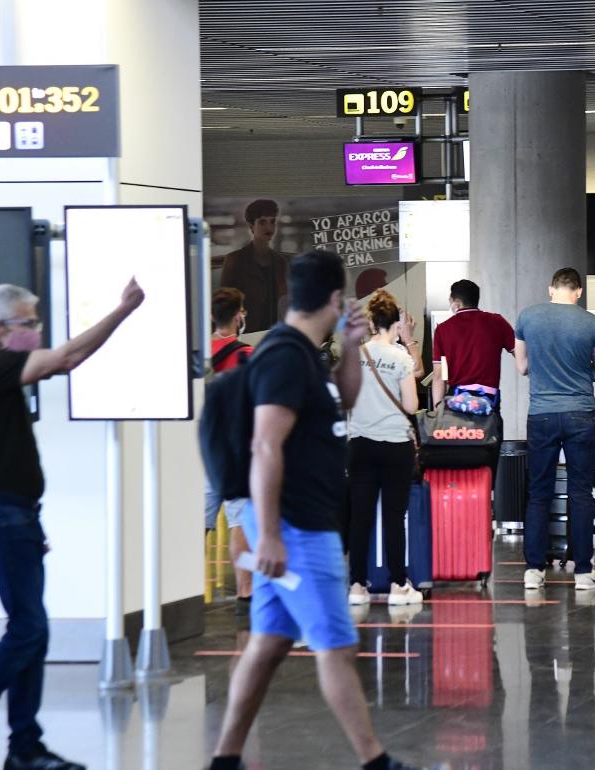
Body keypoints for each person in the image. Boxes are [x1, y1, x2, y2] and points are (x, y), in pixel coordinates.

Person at [209, 250, 441, 770]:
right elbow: (266, 446)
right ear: (336, 300)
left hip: (294, 523)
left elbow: (344, 401)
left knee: (267, 645)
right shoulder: (285, 356)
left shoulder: (306, 353)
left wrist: (354, 347)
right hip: (298, 529)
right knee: (336, 647)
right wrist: (268, 534)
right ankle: (375, 760)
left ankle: (225, 758)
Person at [0, 279, 146, 770]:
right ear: (0, 330)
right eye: (31, 324)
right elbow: (67, 357)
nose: (38, 332)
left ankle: (24, 746)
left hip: (14, 515)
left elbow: (67, 358)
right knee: (28, 629)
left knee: (33, 630)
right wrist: (123, 310)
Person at [514, 268, 595, 591]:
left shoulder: (528, 317)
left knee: (539, 492)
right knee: (580, 492)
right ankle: (583, 571)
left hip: (541, 414)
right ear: (579, 292)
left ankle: (533, 570)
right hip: (581, 414)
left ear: (550, 288)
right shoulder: (592, 324)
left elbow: (522, 366)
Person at [346, 290, 423, 607]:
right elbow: (410, 404)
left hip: (360, 445)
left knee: (359, 517)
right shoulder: (401, 358)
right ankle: (397, 585)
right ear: (395, 324)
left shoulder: (356, 355)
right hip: (395, 447)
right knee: (393, 517)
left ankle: (356, 587)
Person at [205, 288, 256, 610]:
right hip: (236, 449)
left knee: (197, 521)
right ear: (239, 314)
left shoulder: (197, 353)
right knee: (240, 522)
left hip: (201, 446)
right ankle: (245, 591)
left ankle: (179, 588)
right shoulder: (247, 354)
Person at [431, 279, 515, 409]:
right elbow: (521, 355)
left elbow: (438, 376)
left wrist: (437, 409)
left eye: (450, 301)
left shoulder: (442, 329)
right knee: (490, 429)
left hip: (457, 400)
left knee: (462, 430)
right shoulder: (497, 322)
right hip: (489, 398)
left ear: (457, 303)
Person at [220, 199, 290, 333]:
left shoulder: (280, 261)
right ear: (251, 226)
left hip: (274, 331)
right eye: (262, 222)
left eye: (272, 221)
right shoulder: (234, 260)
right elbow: (226, 304)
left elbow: (284, 300)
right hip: (246, 332)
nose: (269, 227)